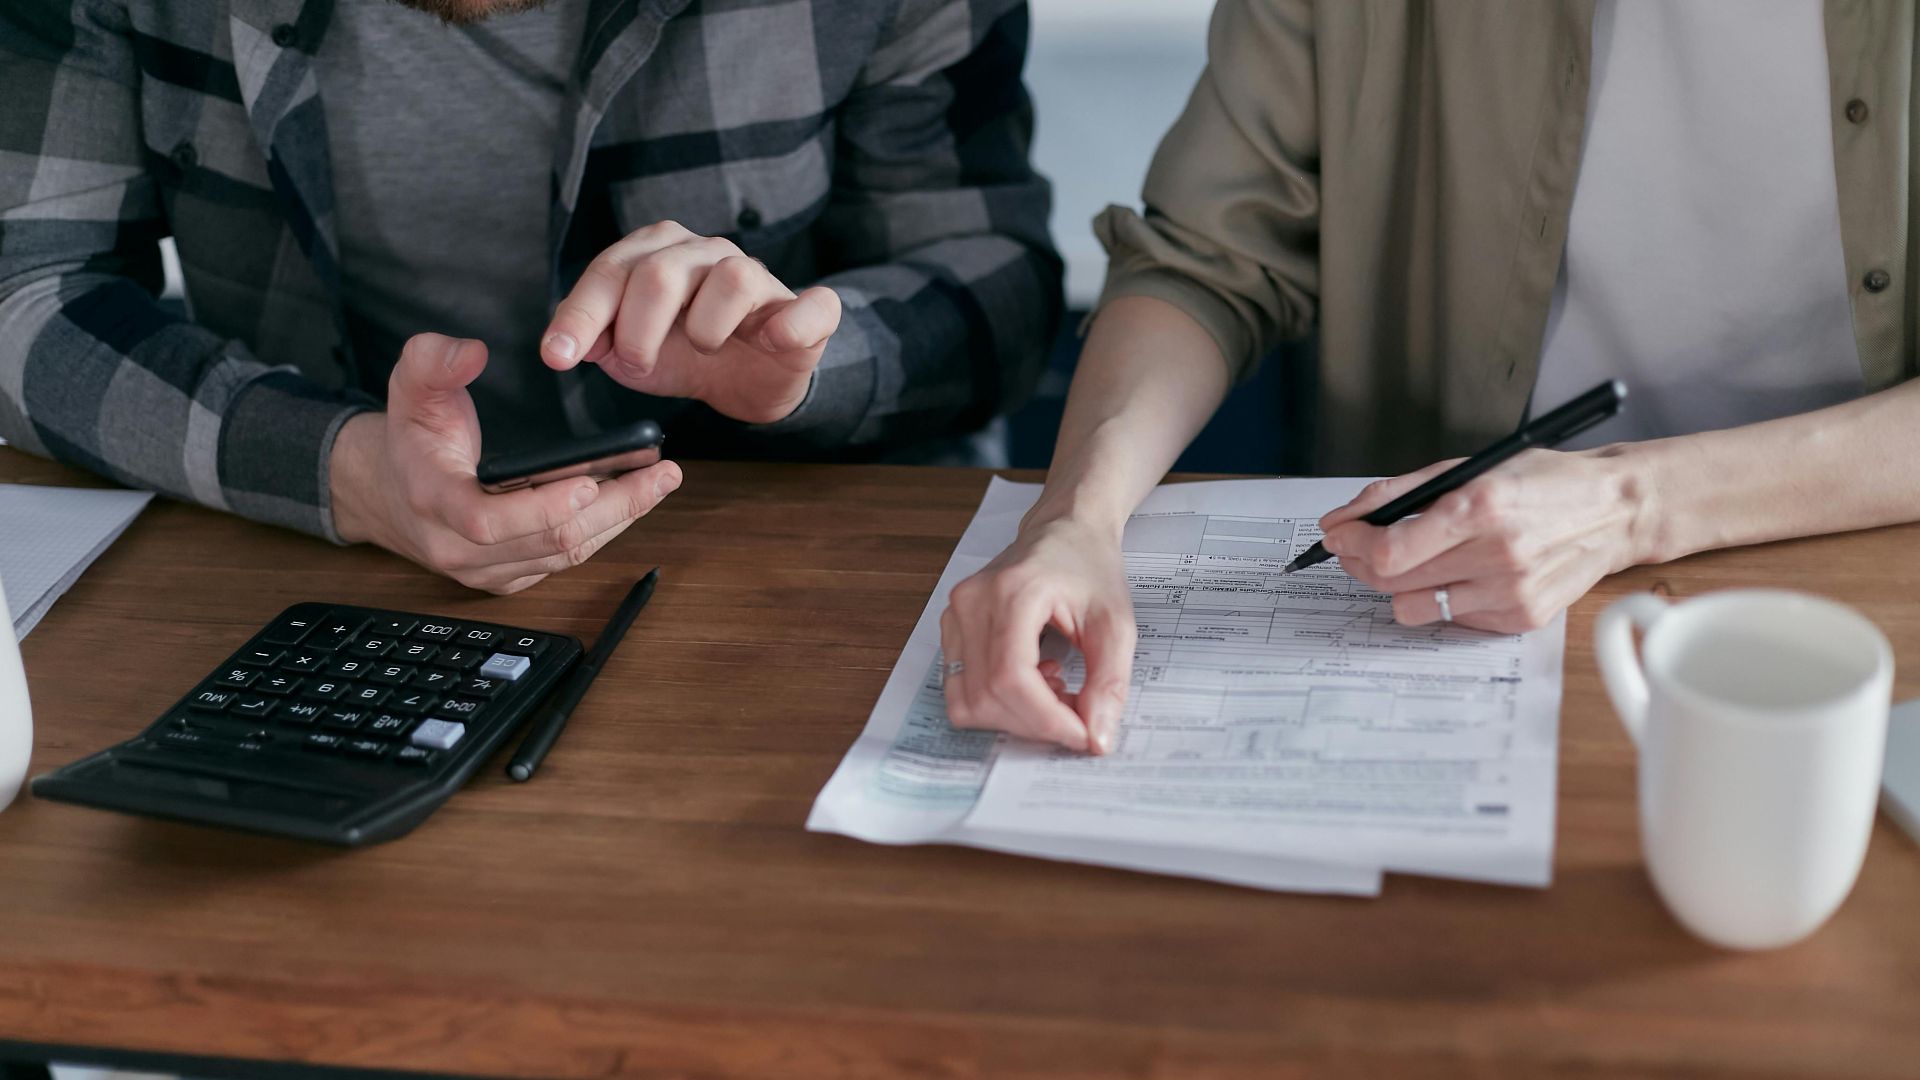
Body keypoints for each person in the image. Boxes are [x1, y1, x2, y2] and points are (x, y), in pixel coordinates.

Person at [939, 0, 1920, 754]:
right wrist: (1077, 517)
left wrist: (1631, 502)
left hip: (1858, 568)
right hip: (1453, 598)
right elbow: (1208, 252)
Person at [0, 0, 1061, 594]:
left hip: (795, 571)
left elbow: (996, 284)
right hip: (313, 569)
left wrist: (807, 365)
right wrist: (346, 469)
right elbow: (27, 288)